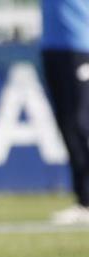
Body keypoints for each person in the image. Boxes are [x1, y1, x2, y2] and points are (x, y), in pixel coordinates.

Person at [41, 0, 89, 224]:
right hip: (52, 44)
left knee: (80, 123)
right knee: (68, 125)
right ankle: (84, 200)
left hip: (82, 41)